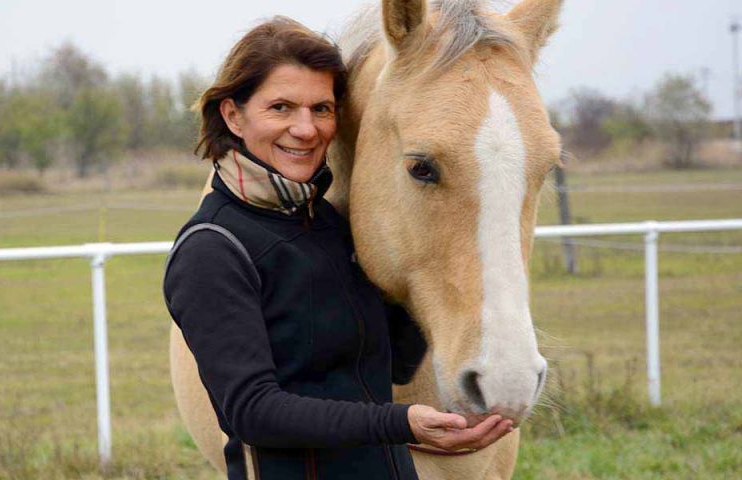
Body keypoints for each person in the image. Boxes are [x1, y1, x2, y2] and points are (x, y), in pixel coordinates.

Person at [163, 17, 513, 480]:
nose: (306, 129)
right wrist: (400, 422)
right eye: (281, 108)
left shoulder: (325, 225)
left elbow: (393, 363)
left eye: (321, 109)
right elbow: (253, 411)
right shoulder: (212, 248)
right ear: (233, 115)